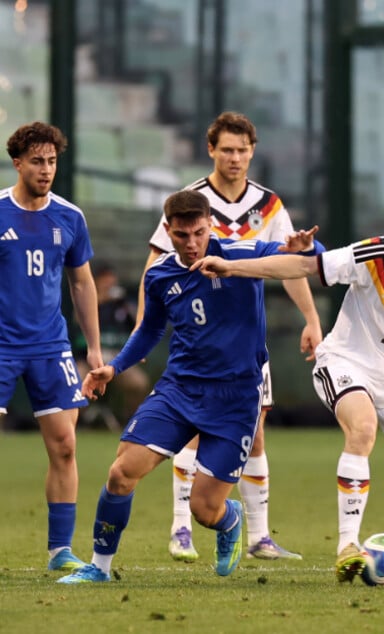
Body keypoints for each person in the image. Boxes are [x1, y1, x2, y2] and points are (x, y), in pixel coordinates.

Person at [191, 198, 384, 585]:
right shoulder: (380, 255)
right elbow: (303, 265)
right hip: (345, 363)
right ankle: (348, 547)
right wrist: (232, 267)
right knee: (363, 428)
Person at [57, 190, 325, 584]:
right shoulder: (160, 274)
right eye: (181, 235)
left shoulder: (241, 253)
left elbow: (305, 263)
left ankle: (229, 520)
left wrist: (308, 246)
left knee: (204, 509)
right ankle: (99, 567)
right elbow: (149, 332)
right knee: (121, 473)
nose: (191, 243)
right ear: (168, 231)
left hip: (235, 399)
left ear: (210, 225)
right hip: (179, 389)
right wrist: (113, 369)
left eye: (198, 233)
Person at [137, 112, 321, 562]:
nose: (235, 158)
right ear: (211, 151)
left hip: (244, 338)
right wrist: (149, 324)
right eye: (226, 150)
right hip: (199, 336)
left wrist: (312, 319)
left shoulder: (269, 205)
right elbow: (156, 264)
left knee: (254, 433)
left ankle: (259, 536)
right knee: (193, 433)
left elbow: (289, 263)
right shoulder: (190, 200)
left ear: (252, 151)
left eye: (242, 150)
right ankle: (181, 527)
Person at [0, 121, 102, 572]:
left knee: (64, 445)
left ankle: (60, 550)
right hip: (1, 346)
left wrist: (94, 351)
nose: (46, 170)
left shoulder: (70, 217)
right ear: (17, 162)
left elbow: (81, 283)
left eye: (52, 161)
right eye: (37, 161)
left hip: (50, 346)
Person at [73, 262, 149, 428]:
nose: (109, 282)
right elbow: (77, 321)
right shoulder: (87, 301)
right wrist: (101, 300)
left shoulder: (121, 304)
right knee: (75, 382)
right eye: (104, 278)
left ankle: (130, 422)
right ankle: (79, 422)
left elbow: (138, 325)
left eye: (111, 278)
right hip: (88, 358)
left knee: (138, 383)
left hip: (116, 358)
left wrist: (124, 305)